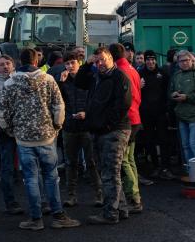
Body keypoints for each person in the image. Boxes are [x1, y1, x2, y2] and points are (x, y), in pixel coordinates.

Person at [0, 48, 79, 230]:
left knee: (31, 178)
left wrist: (11, 130)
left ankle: (36, 219)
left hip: (24, 139)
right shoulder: (48, 80)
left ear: (19, 61)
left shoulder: (10, 83)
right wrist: (56, 126)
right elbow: (59, 106)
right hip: (47, 137)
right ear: (36, 62)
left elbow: (1, 112)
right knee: (51, 176)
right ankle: (58, 215)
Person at [75, 46, 132, 225]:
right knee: (108, 172)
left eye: (103, 60)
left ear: (111, 58)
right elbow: (79, 82)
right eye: (97, 60)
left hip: (114, 131)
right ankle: (120, 208)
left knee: (109, 173)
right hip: (100, 130)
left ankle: (110, 213)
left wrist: (107, 125)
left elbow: (123, 105)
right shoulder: (96, 76)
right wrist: (87, 63)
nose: (99, 63)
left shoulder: (119, 77)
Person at [57, 51, 103, 208]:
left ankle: (99, 194)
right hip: (69, 127)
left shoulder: (89, 79)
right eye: (67, 63)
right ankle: (71, 196)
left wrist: (86, 113)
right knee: (71, 163)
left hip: (87, 127)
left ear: (79, 63)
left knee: (92, 162)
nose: (70, 66)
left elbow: (96, 100)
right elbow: (59, 103)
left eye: (73, 63)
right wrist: (61, 84)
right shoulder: (63, 81)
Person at [109, 43, 146, 213]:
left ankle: (134, 198)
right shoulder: (133, 70)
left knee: (124, 160)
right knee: (129, 159)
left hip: (127, 120)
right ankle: (135, 196)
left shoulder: (119, 72)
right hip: (136, 117)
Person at [0, 55, 24, 215]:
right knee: (7, 168)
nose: (5, 67)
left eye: (8, 63)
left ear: (13, 65)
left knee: (31, 167)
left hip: (23, 130)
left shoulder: (22, 80)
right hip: (4, 132)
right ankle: (10, 203)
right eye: (1, 65)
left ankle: (39, 202)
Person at [169, 50, 195, 165]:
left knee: (194, 144)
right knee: (185, 145)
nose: (184, 63)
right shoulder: (176, 75)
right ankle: (191, 171)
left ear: (192, 61)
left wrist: (187, 97)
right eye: (181, 61)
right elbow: (171, 90)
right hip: (182, 115)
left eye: (186, 60)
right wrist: (173, 95)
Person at [139, 50, 174, 180]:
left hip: (160, 113)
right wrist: (138, 87)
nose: (150, 62)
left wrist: (167, 109)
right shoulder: (140, 74)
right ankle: (155, 167)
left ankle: (166, 167)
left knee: (164, 140)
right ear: (145, 60)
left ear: (156, 60)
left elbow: (168, 92)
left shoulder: (163, 73)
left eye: (152, 59)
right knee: (149, 141)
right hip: (146, 113)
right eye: (148, 59)